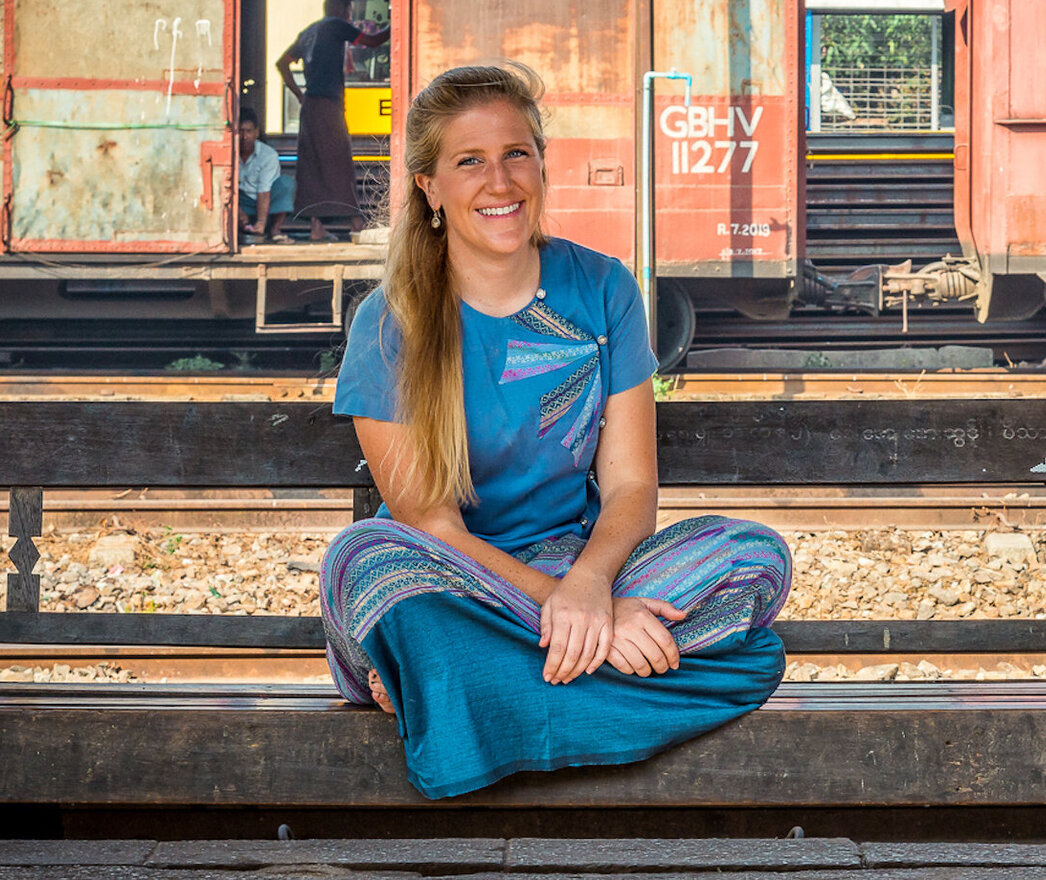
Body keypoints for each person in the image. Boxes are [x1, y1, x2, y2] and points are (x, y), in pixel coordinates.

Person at [320, 63, 792, 800]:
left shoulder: (603, 290)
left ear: (542, 164)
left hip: (577, 570)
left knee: (755, 559)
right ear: (429, 186)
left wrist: (591, 587)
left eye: (516, 154)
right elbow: (433, 526)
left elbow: (633, 484)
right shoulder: (391, 323)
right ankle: (549, 698)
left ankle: (465, 704)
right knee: (365, 559)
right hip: (449, 582)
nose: (499, 181)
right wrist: (558, 604)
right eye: (469, 161)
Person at [279, 0, 389, 242]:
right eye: (350, 12)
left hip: (310, 107)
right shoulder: (337, 25)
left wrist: (299, 94)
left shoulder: (309, 31)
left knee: (312, 167)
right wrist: (397, 24)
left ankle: (316, 227)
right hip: (328, 105)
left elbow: (282, 63)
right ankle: (356, 223)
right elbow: (372, 41)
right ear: (343, 10)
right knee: (341, 161)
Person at [236, 107, 292, 243]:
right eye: (240, 131)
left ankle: (275, 229)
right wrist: (236, 210)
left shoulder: (268, 155)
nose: (244, 137)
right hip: (241, 201)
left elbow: (264, 191)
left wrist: (261, 222)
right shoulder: (228, 151)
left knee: (287, 184)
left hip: (265, 202)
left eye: (249, 131)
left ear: (257, 132)